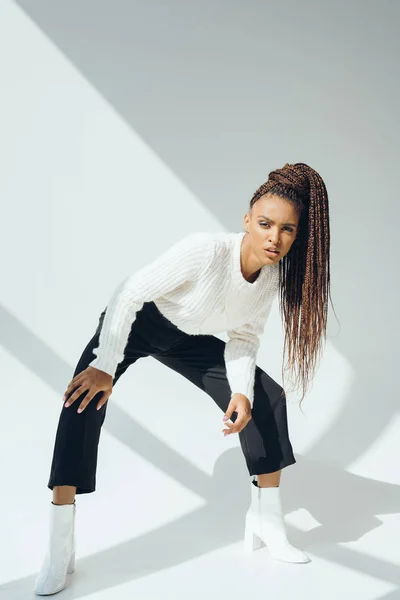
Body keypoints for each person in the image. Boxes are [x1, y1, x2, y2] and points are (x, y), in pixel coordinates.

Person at [34, 162, 333, 595]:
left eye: (287, 230)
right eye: (266, 224)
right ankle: (60, 543)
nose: (274, 237)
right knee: (81, 401)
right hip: (137, 321)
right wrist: (105, 363)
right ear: (247, 220)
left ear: (297, 235)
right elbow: (130, 292)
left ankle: (267, 521)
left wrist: (241, 392)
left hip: (188, 336)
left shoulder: (271, 278)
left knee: (267, 397)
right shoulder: (204, 251)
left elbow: (245, 335)